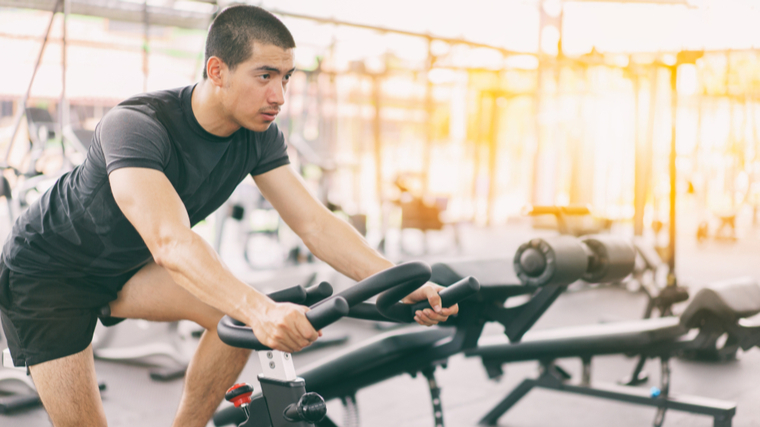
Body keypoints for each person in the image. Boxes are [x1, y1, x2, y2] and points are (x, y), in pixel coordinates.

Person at [0, 5, 457, 427]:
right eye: (264, 75)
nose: (278, 94)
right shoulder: (137, 124)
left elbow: (315, 224)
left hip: (122, 269)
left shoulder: (257, 135)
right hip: (47, 275)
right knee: (243, 314)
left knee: (233, 326)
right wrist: (261, 311)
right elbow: (170, 242)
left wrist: (403, 280)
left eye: (286, 77)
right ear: (216, 70)